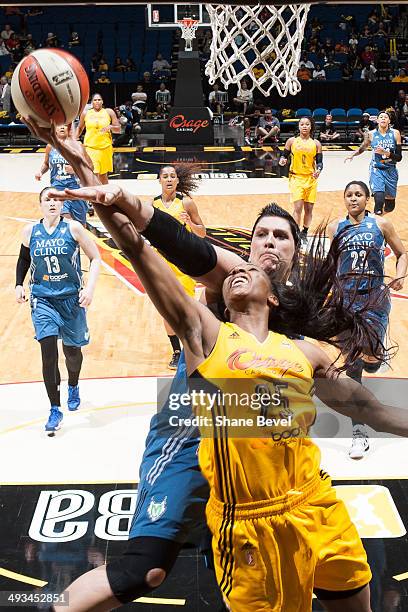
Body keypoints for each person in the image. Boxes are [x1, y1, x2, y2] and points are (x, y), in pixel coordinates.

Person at [23, 119, 402, 612]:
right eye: (260, 235)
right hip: (189, 429)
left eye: (281, 237)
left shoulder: (298, 322)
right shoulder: (232, 277)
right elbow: (168, 243)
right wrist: (99, 181)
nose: (268, 243)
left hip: (260, 458)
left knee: (246, 567)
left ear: (295, 250)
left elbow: (361, 402)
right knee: (147, 568)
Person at [327, 180, 407, 459]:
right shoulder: (335, 228)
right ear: (344, 199)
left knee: (371, 361)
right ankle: (358, 432)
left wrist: (400, 273)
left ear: (368, 198)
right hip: (345, 301)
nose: (353, 199)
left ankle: (375, 355)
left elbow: (402, 253)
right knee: (352, 366)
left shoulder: (381, 225)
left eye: (358, 194)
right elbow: (330, 264)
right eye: (348, 195)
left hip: (374, 299)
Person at [15, 186, 100, 434]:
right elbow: (23, 259)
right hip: (43, 300)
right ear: (40, 204)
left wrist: (90, 289)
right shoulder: (30, 231)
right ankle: (54, 408)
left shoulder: (73, 229)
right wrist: (19, 284)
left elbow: (96, 258)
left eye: (56, 199)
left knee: (72, 353)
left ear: (62, 204)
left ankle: (73, 384)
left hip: (71, 300)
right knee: (48, 352)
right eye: (47, 199)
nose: (52, 203)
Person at [151, 164, 205, 369]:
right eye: (165, 176)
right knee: (167, 311)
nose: (169, 179)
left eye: (172, 176)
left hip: (183, 263)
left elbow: (202, 233)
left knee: (187, 310)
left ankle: (192, 348)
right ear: (160, 180)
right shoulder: (153, 204)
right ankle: (176, 351)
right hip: (162, 264)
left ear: (177, 181)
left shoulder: (187, 203)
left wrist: (190, 223)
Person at [345, 110, 402, 215]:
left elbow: (399, 158)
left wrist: (386, 153)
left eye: (386, 117)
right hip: (377, 169)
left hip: (391, 170)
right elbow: (362, 148)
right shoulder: (371, 134)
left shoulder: (395, 133)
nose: (383, 118)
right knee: (379, 201)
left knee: (390, 207)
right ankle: (374, 222)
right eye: (381, 117)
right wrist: (353, 154)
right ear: (377, 120)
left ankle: (375, 217)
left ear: (389, 120)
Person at [279, 116, 323, 246]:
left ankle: (304, 232)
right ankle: (295, 233)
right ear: (298, 126)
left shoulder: (316, 144)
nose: (304, 126)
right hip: (296, 177)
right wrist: (282, 160)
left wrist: (319, 170)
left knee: (309, 209)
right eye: (302, 124)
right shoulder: (291, 141)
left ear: (311, 127)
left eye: (307, 124)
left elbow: (320, 163)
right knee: (297, 207)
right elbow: (284, 155)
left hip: (310, 179)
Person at [35, 125, 90, 225]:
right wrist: (40, 172)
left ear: (69, 128)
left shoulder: (77, 146)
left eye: (64, 125)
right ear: (55, 129)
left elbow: (90, 166)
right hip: (58, 189)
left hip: (76, 189)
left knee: (81, 225)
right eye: (59, 125)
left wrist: (76, 170)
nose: (62, 128)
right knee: (65, 221)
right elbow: (46, 163)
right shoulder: (50, 146)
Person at [76, 93, 120, 185]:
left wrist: (110, 127)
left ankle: (106, 196)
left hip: (105, 147)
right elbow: (80, 128)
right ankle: (94, 197)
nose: (97, 101)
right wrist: (73, 139)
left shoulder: (109, 112)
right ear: (91, 102)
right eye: (95, 100)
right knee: (93, 173)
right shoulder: (85, 113)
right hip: (90, 147)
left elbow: (118, 129)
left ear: (102, 101)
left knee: (103, 175)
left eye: (99, 100)